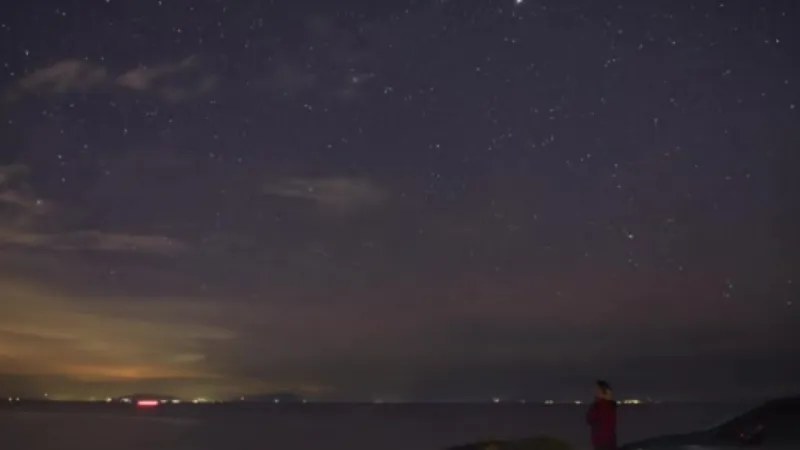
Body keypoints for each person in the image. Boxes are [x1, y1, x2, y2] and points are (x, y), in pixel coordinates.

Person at [586, 379, 617, 450]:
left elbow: (590, 418)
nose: (595, 391)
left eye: (597, 389)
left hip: (603, 443)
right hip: (608, 442)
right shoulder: (609, 405)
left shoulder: (601, 405)